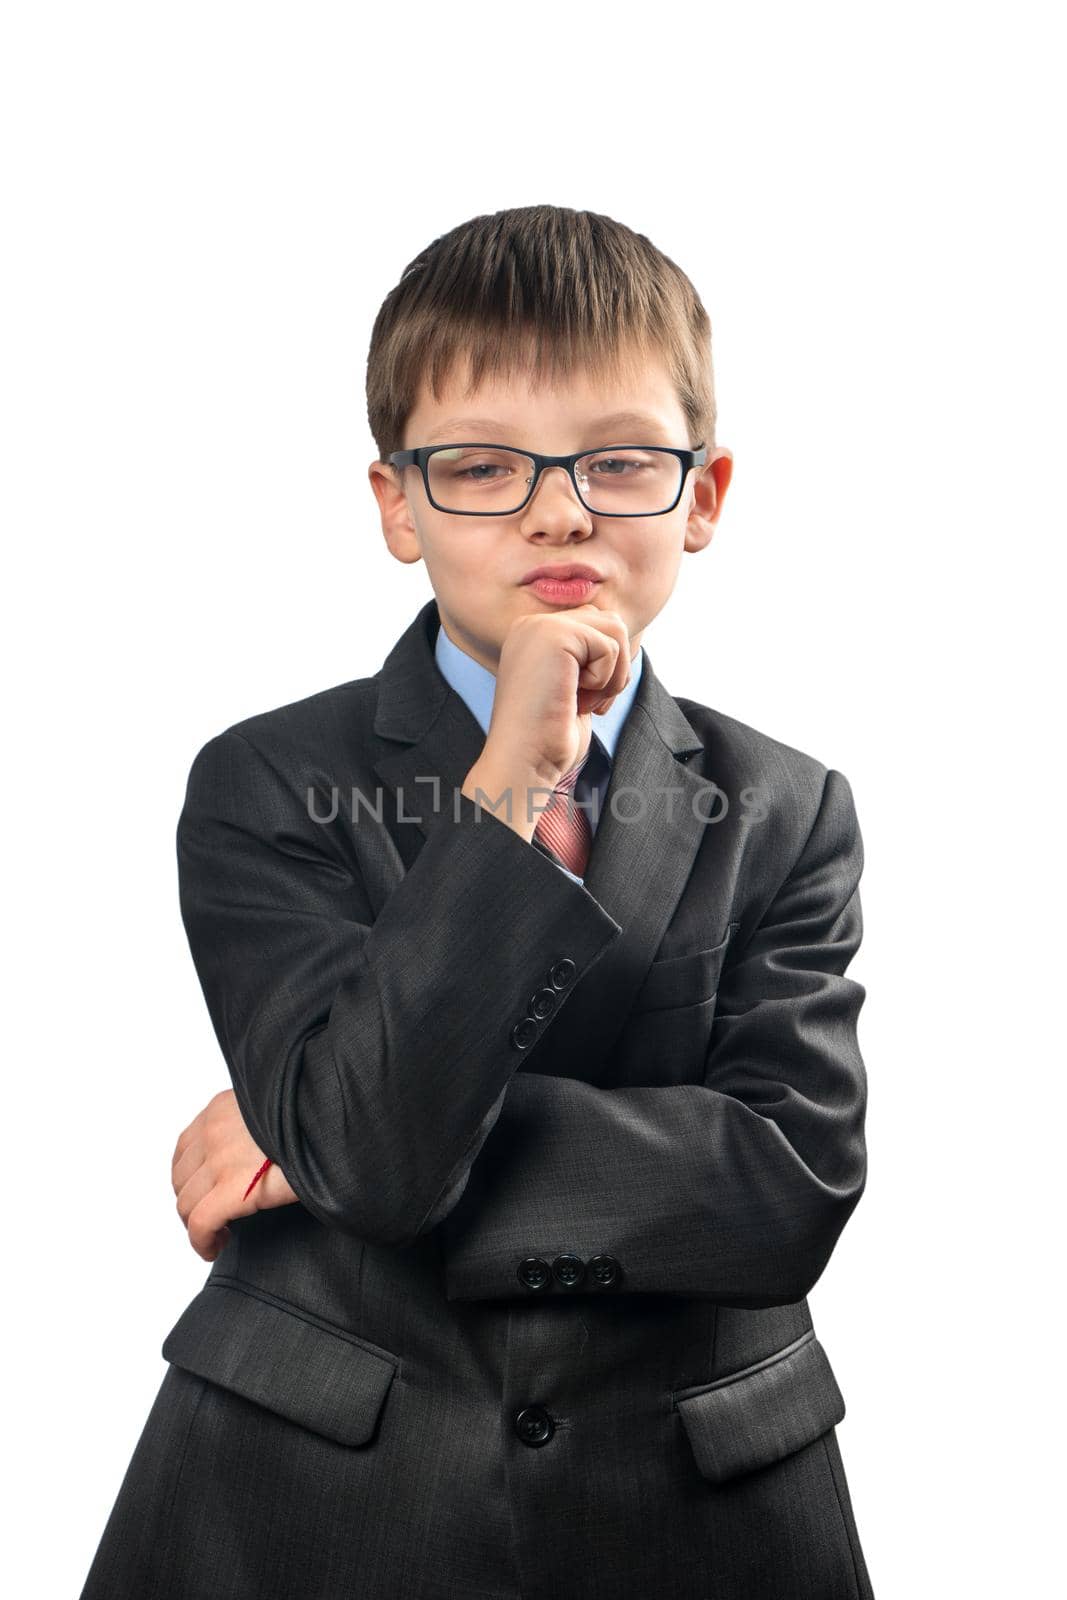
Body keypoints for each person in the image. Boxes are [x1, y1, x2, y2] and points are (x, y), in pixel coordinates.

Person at [79, 204, 875, 1599]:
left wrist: (312, 1142)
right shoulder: (266, 779)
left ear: (704, 495)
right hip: (304, 1500)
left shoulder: (790, 808)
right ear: (398, 504)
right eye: (484, 467)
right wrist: (510, 782)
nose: (560, 507)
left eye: (621, 461)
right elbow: (378, 1154)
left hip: (698, 1505)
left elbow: (782, 1192)